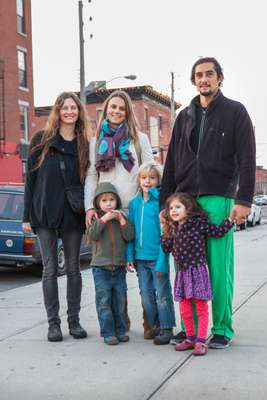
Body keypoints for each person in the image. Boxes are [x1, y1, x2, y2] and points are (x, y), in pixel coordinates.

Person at [160, 57, 256, 349]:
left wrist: (243, 200)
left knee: (217, 268)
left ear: (219, 78)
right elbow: (172, 163)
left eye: (209, 74)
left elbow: (248, 158)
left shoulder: (235, 112)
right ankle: (192, 329)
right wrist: (165, 206)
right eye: (199, 75)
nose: (204, 79)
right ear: (194, 81)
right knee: (187, 268)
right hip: (185, 201)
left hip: (219, 198)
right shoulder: (183, 116)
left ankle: (221, 327)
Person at [22, 92, 91, 342]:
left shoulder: (84, 143)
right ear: (58, 111)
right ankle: (54, 324)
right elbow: (30, 180)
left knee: (74, 269)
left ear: (79, 112)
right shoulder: (41, 140)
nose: (70, 111)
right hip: (44, 211)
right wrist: (26, 215)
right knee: (50, 269)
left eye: (74, 107)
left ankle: (74, 322)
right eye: (65, 108)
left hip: (73, 213)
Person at [84, 89, 154, 334]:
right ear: (106, 109)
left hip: (134, 210)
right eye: (112, 107)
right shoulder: (97, 141)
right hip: (105, 212)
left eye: (121, 108)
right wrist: (89, 207)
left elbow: (151, 171)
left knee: (145, 266)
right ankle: (120, 325)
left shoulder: (139, 139)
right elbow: (93, 174)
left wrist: (149, 203)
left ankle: (150, 322)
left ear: (127, 112)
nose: (116, 111)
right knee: (111, 270)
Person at [161, 193, 233, 356]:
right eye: (171, 208)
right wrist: (165, 230)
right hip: (182, 274)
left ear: (188, 208)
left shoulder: (199, 224)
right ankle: (190, 338)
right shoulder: (173, 228)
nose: (173, 210)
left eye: (177, 207)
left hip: (198, 272)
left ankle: (201, 341)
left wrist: (229, 221)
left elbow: (217, 232)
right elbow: (166, 248)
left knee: (201, 308)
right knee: (185, 309)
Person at [126, 162, 176, 345]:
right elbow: (131, 232)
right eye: (144, 177)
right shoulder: (134, 204)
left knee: (162, 294)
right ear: (139, 180)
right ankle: (154, 324)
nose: (148, 181)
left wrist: (163, 260)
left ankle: (166, 327)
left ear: (158, 180)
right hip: (140, 259)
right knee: (146, 296)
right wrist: (129, 256)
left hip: (157, 257)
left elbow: (166, 234)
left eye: (152, 178)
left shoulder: (161, 204)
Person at [87, 182, 134, 345]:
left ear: (117, 202)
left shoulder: (122, 217)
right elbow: (91, 235)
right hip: (101, 268)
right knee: (104, 300)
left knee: (120, 301)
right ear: (98, 204)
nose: (108, 203)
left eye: (112, 200)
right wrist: (104, 219)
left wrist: (121, 219)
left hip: (119, 267)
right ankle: (108, 332)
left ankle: (121, 331)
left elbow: (129, 236)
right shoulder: (96, 218)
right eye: (104, 200)